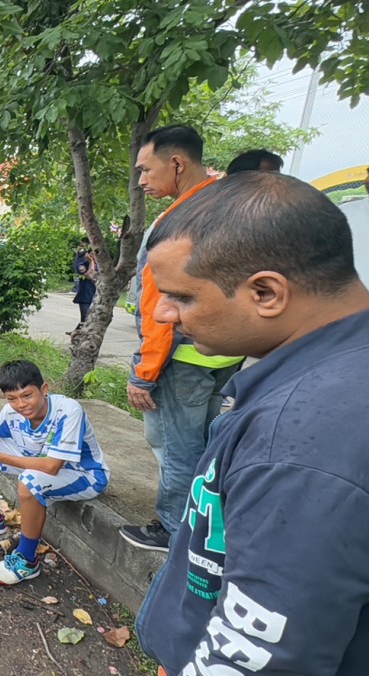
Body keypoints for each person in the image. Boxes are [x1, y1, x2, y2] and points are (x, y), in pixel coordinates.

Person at [136, 171, 369, 674]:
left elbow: (265, 654)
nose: (165, 315)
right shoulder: (338, 369)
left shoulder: (301, 442)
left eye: (183, 296)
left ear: (266, 292)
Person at [120, 125, 244, 553]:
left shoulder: (177, 221)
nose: (141, 180)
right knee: (207, 445)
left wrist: (144, 372)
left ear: (176, 163)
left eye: (145, 169)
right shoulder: (227, 206)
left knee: (176, 447)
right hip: (223, 355)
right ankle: (209, 522)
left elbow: (160, 306)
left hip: (182, 356)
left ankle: (175, 530)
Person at [0, 360, 109, 585]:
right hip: (40, 461)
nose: (21, 404)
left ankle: (27, 560)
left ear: (44, 390)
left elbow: (52, 466)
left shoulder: (68, 411)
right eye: (12, 398)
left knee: (29, 481)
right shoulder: (12, 409)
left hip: (83, 474)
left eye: (27, 395)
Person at [70, 237, 98, 330]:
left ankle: (77, 333)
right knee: (85, 319)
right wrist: (91, 262)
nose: (95, 256)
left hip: (95, 296)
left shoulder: (100, 266)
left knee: (92, 320)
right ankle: (78, 336)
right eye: (93, 253)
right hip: (85, 295)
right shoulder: (82, 264)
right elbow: (90, 275)